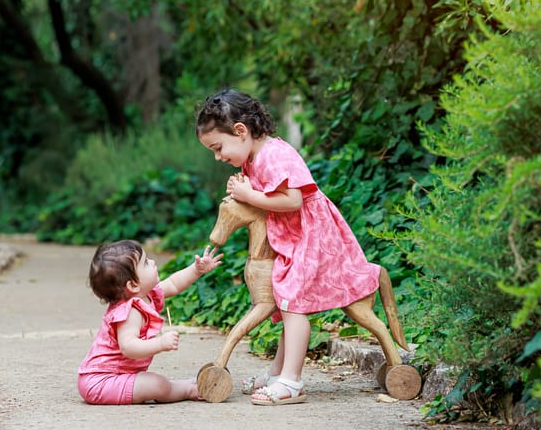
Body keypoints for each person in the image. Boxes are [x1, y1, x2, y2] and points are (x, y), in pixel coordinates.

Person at [196, 88, 384, 406]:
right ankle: (277, 373)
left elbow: (293, 199)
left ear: (240, 131)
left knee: (293, 303)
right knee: (285, 303)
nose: (218, 157)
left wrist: (249, 195)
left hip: (312, 237)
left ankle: (292, 382)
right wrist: (244, 189)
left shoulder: (274, 154)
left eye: (218, 147)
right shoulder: (253, 158)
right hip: (291, 239)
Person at [78, 240, 223, 404]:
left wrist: (196, 270)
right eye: (146, 263)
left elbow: (173, 284)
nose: (153, 262)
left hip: (120, 376)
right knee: (155, 384)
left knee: (150, 381)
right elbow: (128, 347)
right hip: (101, 383)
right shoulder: (129, 312)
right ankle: (187, 390)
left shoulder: (147, 295)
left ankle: (179, 385)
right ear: (133, 285)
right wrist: (160, 343)